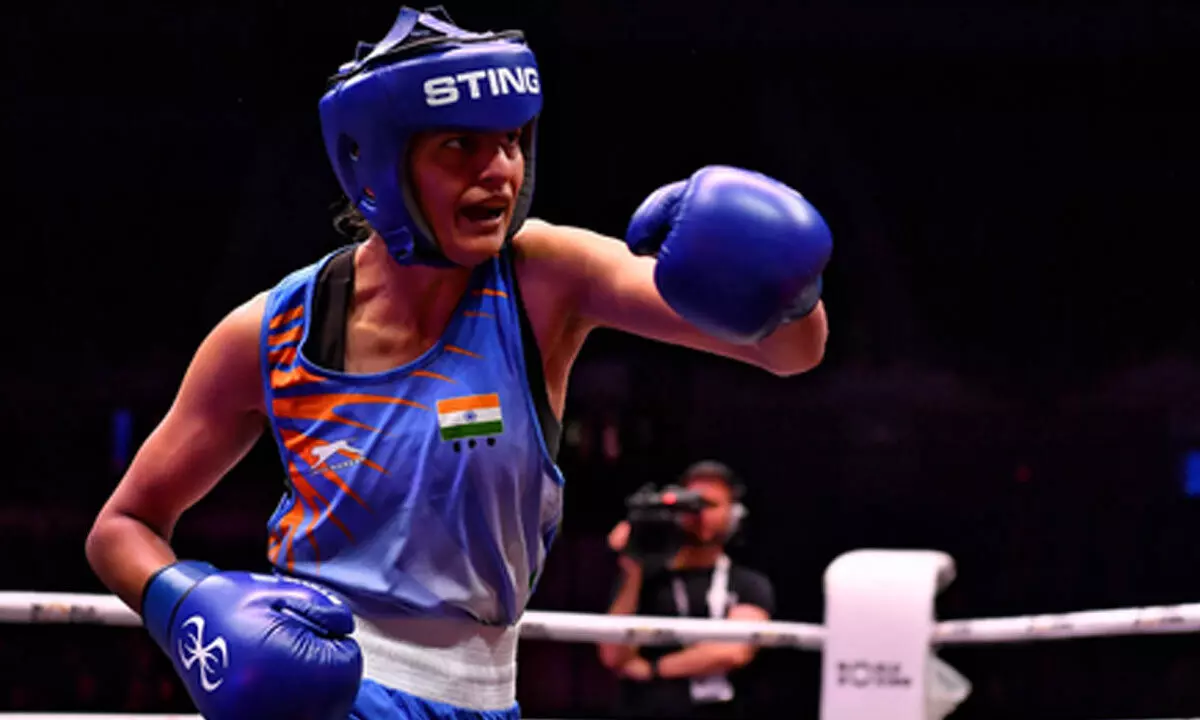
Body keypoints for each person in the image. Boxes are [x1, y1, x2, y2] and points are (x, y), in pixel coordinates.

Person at [85, 6, 831, 720]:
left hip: (487, 697)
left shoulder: (545, 278)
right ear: (381, 164)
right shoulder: (273, 332)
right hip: (326, 697)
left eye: (510, 142)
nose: (499, 171)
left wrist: (787, 282)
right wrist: (191, 608)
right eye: (459, 146)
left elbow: (790, 353)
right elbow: (121, 527)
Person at [597, 461, 775, 719]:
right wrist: (632, 567)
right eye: (691, 504)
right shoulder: (645, 581)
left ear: (735, 515)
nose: (699, 513)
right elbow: (613, 656)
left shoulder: (748, 583)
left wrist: (653, 669)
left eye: (710, 504)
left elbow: (734, 651)